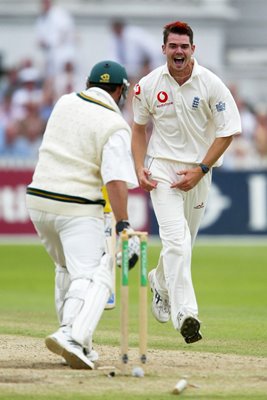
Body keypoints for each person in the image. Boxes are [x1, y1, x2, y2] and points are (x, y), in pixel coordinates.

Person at [131, 21, 242, 344]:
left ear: (193, 50)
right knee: (177, 243)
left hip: (198, 173)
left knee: (184, 245)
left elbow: (227, 131)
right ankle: (186, 314)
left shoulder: (211, 84)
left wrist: (201, 169)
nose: (178, 52)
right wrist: (139, 166)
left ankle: (159, 281)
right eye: (173, 46)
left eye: (184, 46)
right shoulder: (148, 85)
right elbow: (138, 129)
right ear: (163, 48)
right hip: (162, 169)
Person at [26, 60, 139, 369]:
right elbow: (115, 179)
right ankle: (72, 335)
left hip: (38, 201)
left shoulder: (64, 102)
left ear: (90, 84)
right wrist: (124, 225)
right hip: (76, 206)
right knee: (92, 275)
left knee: (66, 269)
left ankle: (79, 344)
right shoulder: (114, 125)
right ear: (118, 91)